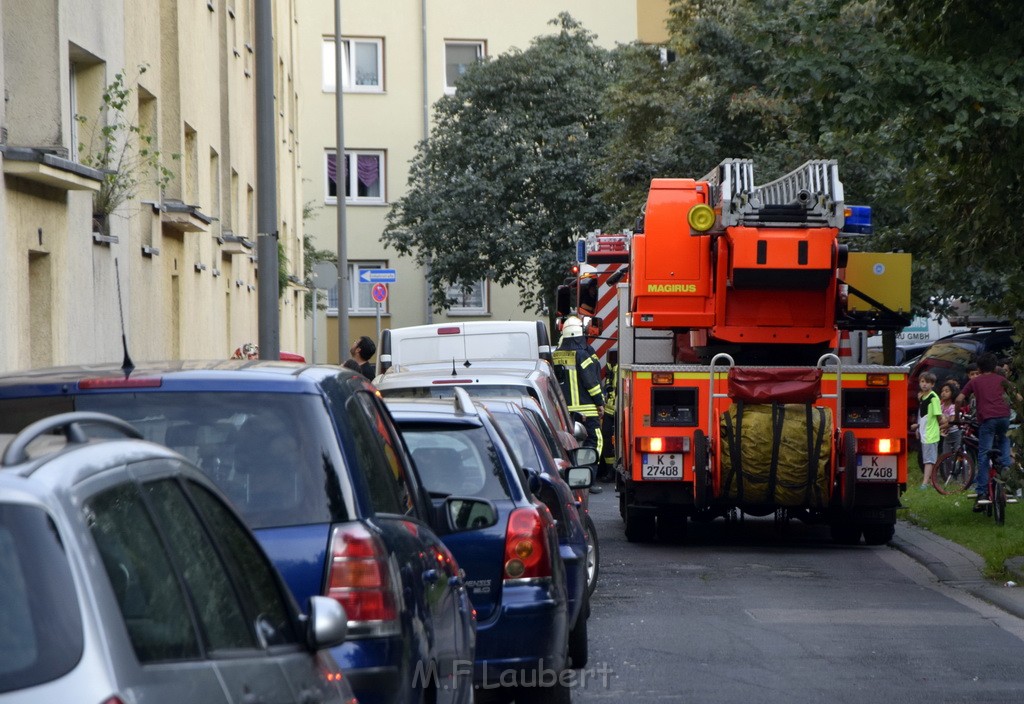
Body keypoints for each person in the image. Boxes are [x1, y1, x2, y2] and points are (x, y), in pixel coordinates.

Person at [956, 352, 1022, 510]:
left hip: (987, 420)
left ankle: (982, 492)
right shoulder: (1002, 380)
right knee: (1005, 450)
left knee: (984, 456)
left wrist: (956, 416)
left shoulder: (975, 381)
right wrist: (1018, 416)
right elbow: (1019, 399)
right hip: (1004, 419)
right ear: (995, 367)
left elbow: (959, 399)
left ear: (979, 368)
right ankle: (1007, 485)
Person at [553, 315, 605, 494]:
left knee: (567, 444)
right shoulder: (582, 354)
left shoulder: (556, 354)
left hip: (564, 411)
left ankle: (568, 478)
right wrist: (600, 402)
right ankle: (587, 479)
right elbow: (591, 382)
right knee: (595, 441)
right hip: (586, 408)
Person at [910, 371, 943, 490]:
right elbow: (923, 415)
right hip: (924, 432)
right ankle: (930, 480)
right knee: (927, 458)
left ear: (932, 384)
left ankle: (925, 482)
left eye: (927, 382)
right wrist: (918, 427)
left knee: (929, 459)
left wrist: (941, 426)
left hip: (931, 433)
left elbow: (938, 415)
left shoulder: (933, 397)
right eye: (922, 382)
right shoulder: (923, 397)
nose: (924, 384)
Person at [598, 349, 619, 483]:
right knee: (606, 437)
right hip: (610, 409)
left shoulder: (620, 363)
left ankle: (614, 471)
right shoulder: (613, 361)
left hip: (619, 408)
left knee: (616, 440)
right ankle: (610, 470)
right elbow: (609, 382)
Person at [938, 380, 962, 456]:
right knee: (946, 455)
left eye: (947, 391)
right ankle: (947, 468)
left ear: (952, 393)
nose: (943, 393)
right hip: (947, 435)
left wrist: (939, 427)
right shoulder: (941, 407)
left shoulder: (953, 407)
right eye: (942, 391)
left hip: (955, 433)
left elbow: (952, 422)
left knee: (958, 454)